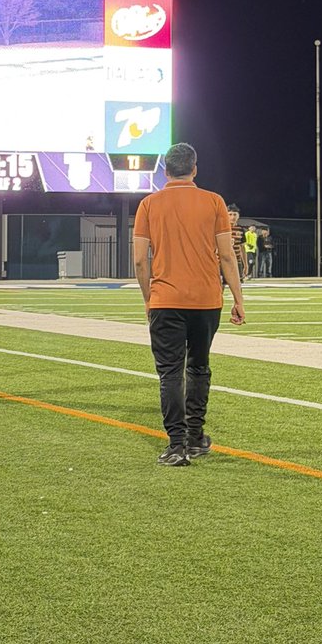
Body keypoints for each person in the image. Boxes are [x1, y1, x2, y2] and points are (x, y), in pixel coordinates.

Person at [133, 142, 245, 467]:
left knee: (170, 372)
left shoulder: (149, 204)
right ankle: (196, 438)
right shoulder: (214, 201)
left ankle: (176, 445)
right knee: (198, 366)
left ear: (165, 170)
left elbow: (141, 261)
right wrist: (238, 299)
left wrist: (147, 299)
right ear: (194, 169)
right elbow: (227, 255)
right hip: (207, 300)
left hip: (166, 299)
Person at [227, 203, 248, 282]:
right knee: (220, 286)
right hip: (222, 262)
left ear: (238, 216)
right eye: (230, 214)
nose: (232, 217)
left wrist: (245, 265)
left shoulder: (240, 230)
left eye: (235, 214)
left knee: (238, 285)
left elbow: (242, 248)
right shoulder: (220, 228)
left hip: (236, 262)